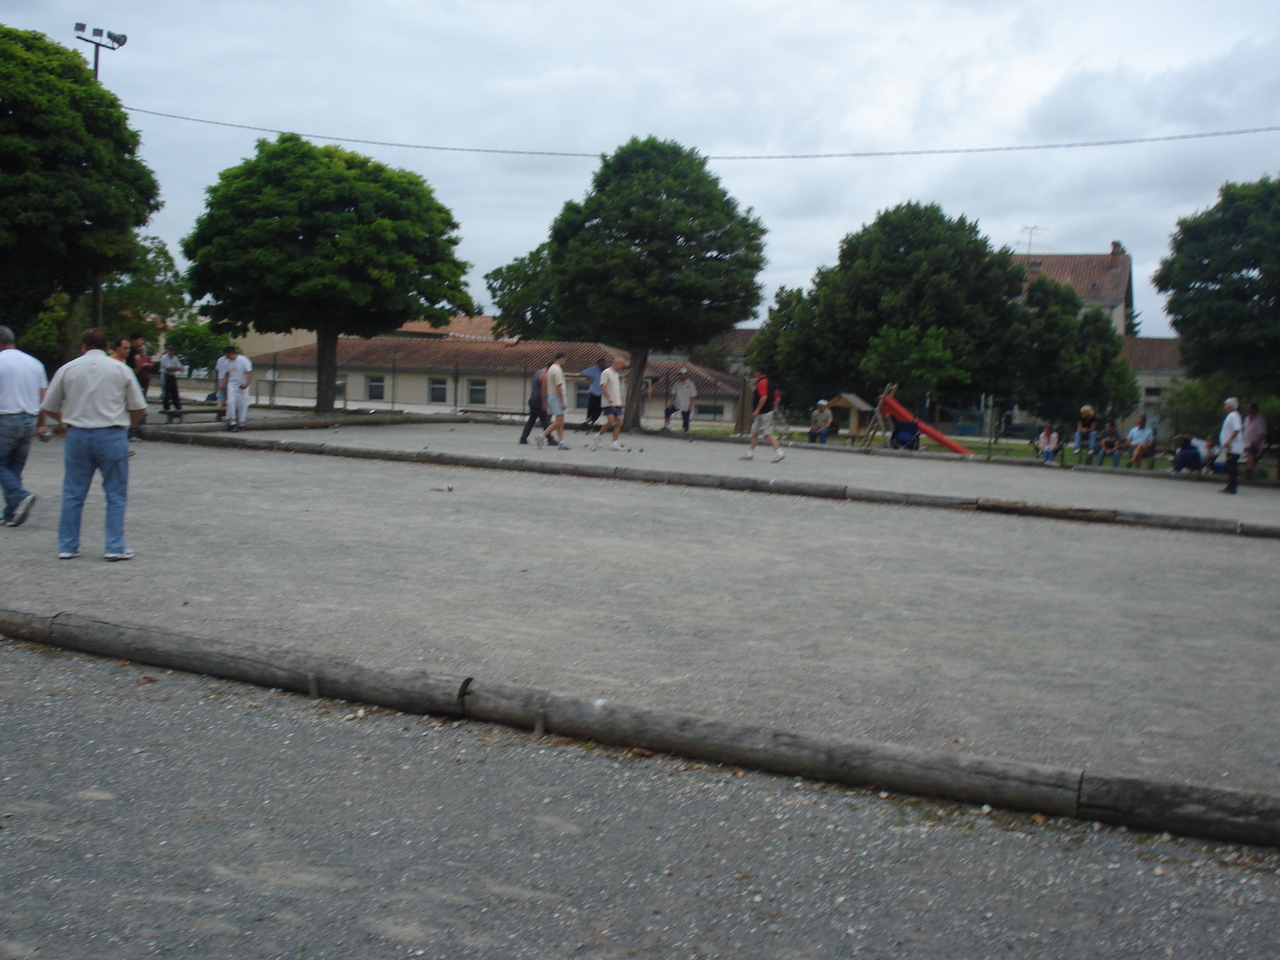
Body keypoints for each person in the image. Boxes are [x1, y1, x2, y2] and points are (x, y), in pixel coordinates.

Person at [40, 328, 146, 560]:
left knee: (73, 493)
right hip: (111, 433)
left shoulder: (68, 369)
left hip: (77, 434)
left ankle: (67, 545)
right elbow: (139, 407)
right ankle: (114, 546)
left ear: (83, 346)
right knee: (115, 494)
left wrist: (66, 419)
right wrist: (127, 426)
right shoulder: (121, 369)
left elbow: (49, 405)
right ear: (108, 346)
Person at [0, 325, 49, 528]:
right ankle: (11, 513)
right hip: (29, 419)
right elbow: (43, 395)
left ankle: (20, 497)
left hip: (6, 419)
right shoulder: (34, 363)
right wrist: (43, 424)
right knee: (14, 468)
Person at [740, 367, 784, 462]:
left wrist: (757, 409)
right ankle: (749, 454)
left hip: (763, 413)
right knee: (754, 433)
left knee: (767, 434)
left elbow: (763, 396)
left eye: (755, 371)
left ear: (759, 372)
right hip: (765, 412)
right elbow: (778, 397)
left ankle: (780, 453)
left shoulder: (761, 383)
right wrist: (774, 407)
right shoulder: (771, 383)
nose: (755, 373)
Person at [591, 357, 628, 450]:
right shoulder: (606, 372)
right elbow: (602, 385)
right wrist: (608, 397)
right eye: (621, 365)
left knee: (619, 421)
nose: (622, 367)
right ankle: (598, 435)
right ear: (615, 363)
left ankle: (614, 443)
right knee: (611, 421)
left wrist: (621, 399)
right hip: (608, 402)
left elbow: (617, 389)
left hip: (617, 402)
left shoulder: (616, 374)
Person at [217, 345, 253, 432]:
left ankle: (242, 423)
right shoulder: (227, 362)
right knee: (231, 402)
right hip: (232, 385)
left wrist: (246, 384)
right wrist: (222, 383)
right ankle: (232, 421)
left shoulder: (243, 360)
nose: (226, 356)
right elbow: (227, 374)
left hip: (242, 385)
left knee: (242, 404)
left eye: (227, 354)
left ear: (231, 353)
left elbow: (249, 372)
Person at [538, 352, 570, 450]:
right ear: (561, 358)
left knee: (559, 420)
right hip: (557, 396)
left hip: (553, 396)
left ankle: (561, 442)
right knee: (559, 421)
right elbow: (558, 386)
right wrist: (562, 401)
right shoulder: (557, 370)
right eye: (565, 359)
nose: (565, 361)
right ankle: (542, 436)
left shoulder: (552, 368)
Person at [518, 365, 549, 445]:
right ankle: (550, 438)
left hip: (533, 398)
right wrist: (544, 403)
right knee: (544, 420)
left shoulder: (537, 373)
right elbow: (543, 391)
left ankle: (523, 438)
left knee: (532, 419)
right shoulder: (544, 375)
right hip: (538, 399)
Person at [1219, 397, 1244, 494]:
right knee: (1230, 466)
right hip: (1230, 448)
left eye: (1226, 406)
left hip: (1233, 447)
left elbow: (1237, 429)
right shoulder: (1232, 415)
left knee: (1232, 467)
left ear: (1230, 407)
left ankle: (1232, 486)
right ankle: (1230, 485)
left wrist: (1229, 441)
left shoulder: (1233, 416)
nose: (1225, 407)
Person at [663, 367, 698, 432]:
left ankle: (686, 431)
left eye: (683, 374)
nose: (681, 375)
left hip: (686, 404)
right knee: (667, 411)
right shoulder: (677, 384)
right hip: (678, 402)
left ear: (686, 374)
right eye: (680, 374)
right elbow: (674, 394)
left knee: (686, 418)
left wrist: (691, 405)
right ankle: (667, 426)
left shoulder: (690, 384)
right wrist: (671, 403)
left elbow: (693, 396)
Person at [579, 357, 607, 428]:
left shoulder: (607, 369)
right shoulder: (593, 369)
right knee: (591, 407)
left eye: (604, 363)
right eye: (601, 363)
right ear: (598, 364)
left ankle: (589, 421)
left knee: (599, 408)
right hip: (594, 391)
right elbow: (582, 373)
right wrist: (589, 379)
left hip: (603, 392)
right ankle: (589, 422)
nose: (602, 365)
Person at [1242, 402, 1268, 478]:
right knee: (1248, 455)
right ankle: (1251, 471)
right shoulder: (1246, 419)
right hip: (1245, 443)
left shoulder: (1259, 419)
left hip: (1255, 444)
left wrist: (1256, 442)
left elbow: (1263, 433)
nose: (1248, 411)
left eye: (1249, 409)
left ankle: (1250, 469)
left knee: (1250, 452)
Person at [158, 345, 184, 412]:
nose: (171, 352)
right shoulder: (164, 358)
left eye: (172, 350)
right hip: (166, 375)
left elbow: (181, 367)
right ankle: (166, 407)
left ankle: (177, 406)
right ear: (167, 351)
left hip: (172, 376)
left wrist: (174, 367)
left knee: (175, 391)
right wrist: (175, 368)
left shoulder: (175, 358)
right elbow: (168, 367)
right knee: (166, 392)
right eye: (170, 350)